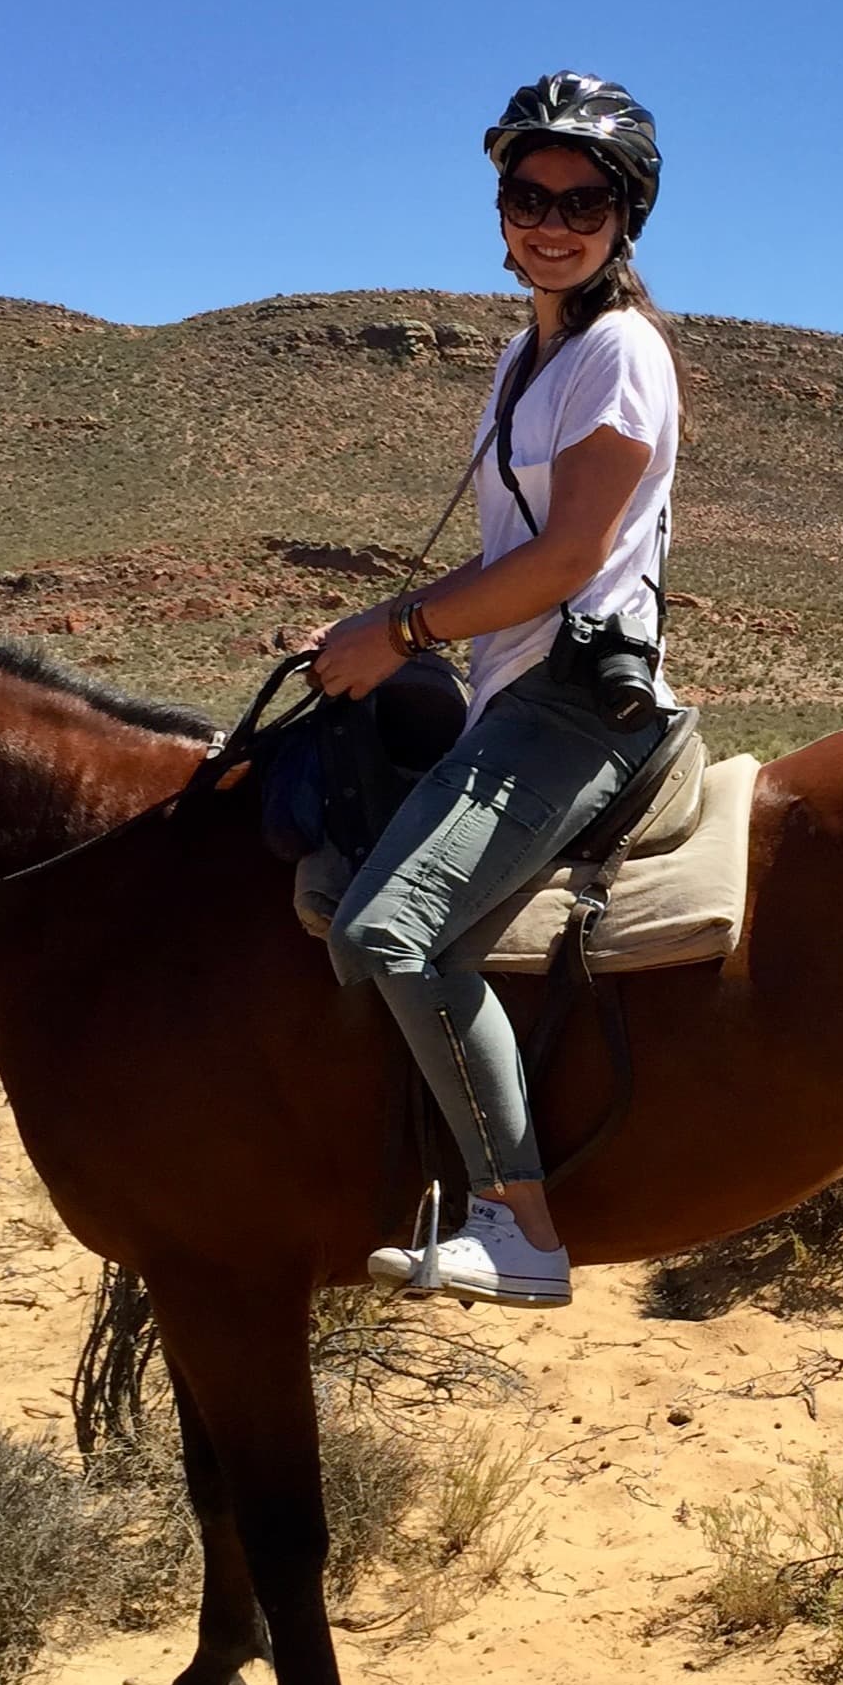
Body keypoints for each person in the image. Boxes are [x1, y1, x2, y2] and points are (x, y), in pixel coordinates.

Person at [312, 72, 681, 1307]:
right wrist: (382, 633)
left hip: (575, 706)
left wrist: (402, 624)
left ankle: (519, 1224)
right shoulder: (533, 353)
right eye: (529, 194)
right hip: (511, 690)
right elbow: (508, 553)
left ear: (627, 213)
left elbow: (569, 557)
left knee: (389, 928)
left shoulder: (618, 352)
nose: (552, 219)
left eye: (584, 198)